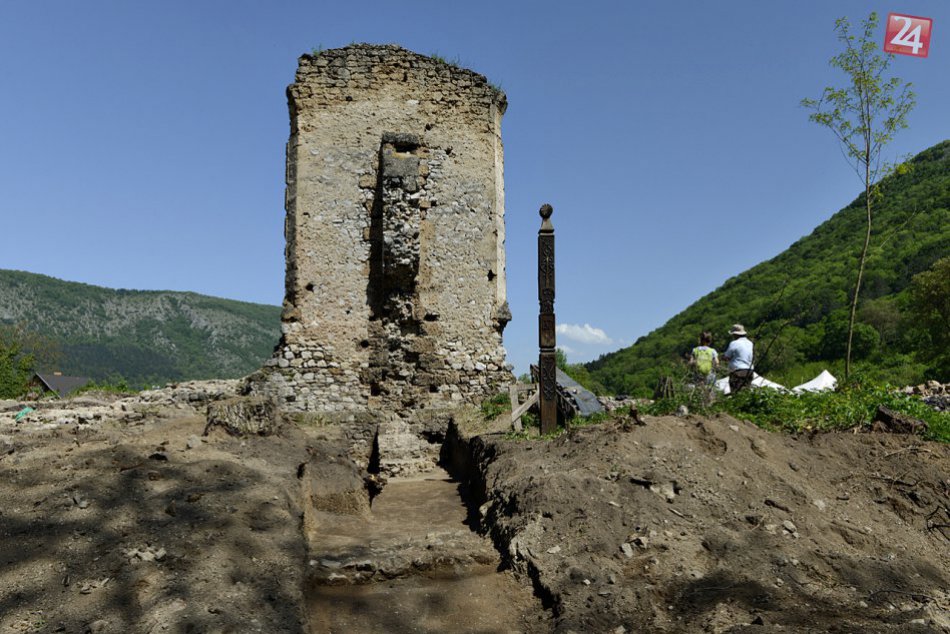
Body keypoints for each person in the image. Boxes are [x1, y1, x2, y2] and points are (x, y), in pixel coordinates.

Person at [722, 324, 754, 393]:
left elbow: (727, 356)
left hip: (738, 371)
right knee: (746, 392)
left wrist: (723, 357)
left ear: (735, 334)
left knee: (736, 393)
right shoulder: (750, 343)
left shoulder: (734, 343)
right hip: (749, 370)